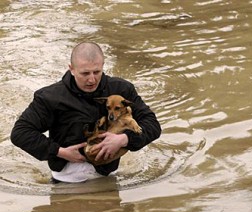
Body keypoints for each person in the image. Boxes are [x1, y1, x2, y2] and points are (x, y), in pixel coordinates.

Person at [10, 42, 161, 183]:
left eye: (97, 72)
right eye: (85, 73)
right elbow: (20, 133)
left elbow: (152, 125)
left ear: (103, 66)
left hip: (108, 178)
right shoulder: (49, 97)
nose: (92, 80)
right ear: (72, 69)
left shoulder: (122, 90)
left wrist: (123, 139)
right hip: (65, 180)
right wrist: (60, 151)